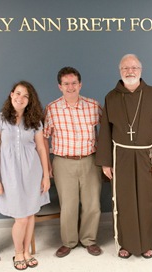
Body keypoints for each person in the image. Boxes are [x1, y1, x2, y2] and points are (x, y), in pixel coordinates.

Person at [95, 54, 152, 259]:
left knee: (148, 199)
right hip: (120, 156)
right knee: (124, 200)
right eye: (125, 68)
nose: (130, 71)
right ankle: (126, 243)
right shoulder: (111, 97)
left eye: (134, 67)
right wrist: (105, 162)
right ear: (120, 71)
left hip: (147, 155)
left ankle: (147, 242)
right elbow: (104, 131)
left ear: (141, 69)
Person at [0, 81, 50, 270]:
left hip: (32, 171)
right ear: (11, 94)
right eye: (18, 93)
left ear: (30, 101)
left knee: (30, 214)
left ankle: (27, 252)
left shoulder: (35, 121)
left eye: (26, 96)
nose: (20, 98)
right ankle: (18, 252)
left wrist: (46, 175)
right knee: (21, 217)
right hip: (9, 174)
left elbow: (41, 148)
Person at [43, 67, 103, 257]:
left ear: (80, 84)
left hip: (90, 160)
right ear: (59, 86)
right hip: (63, 161)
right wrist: (47, 164)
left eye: (74, 83)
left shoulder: (93, 105)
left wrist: (104, 158)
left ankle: (89, 240)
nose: (70, 87)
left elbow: (108, 130)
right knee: (68, 205)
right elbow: (44, 138)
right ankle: (69, 241)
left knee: (92, 204)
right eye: (66, 84)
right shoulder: (52, 109)